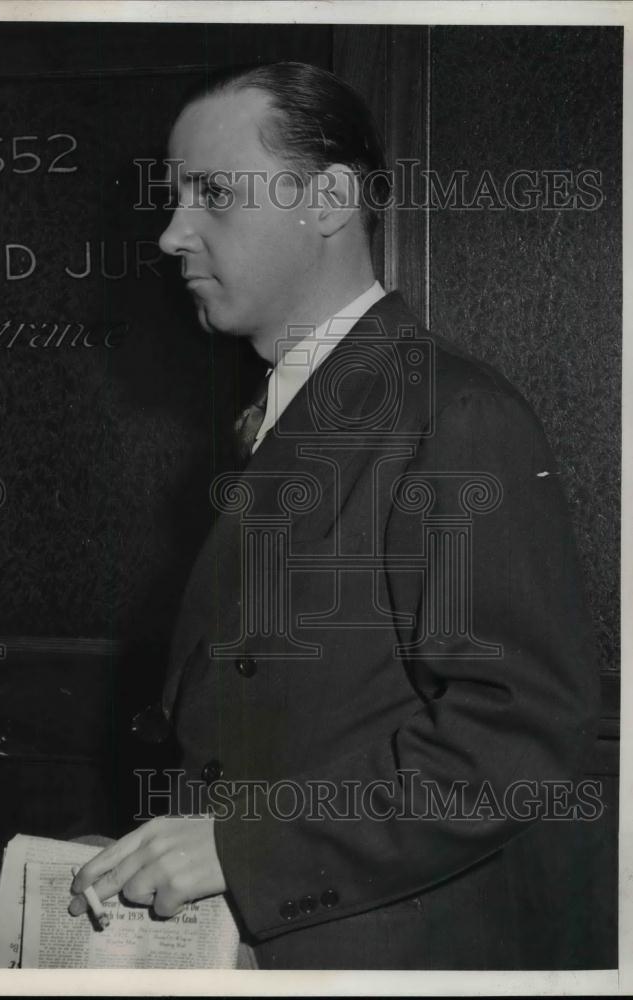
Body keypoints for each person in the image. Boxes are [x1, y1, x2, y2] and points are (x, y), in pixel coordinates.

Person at [69, 61, 598, 969]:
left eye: (211, 194)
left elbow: (517, 740)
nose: (169, 234)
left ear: (329, 200)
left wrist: (242, 850)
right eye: (172, 195)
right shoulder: (295, 405)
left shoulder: (453, 414)